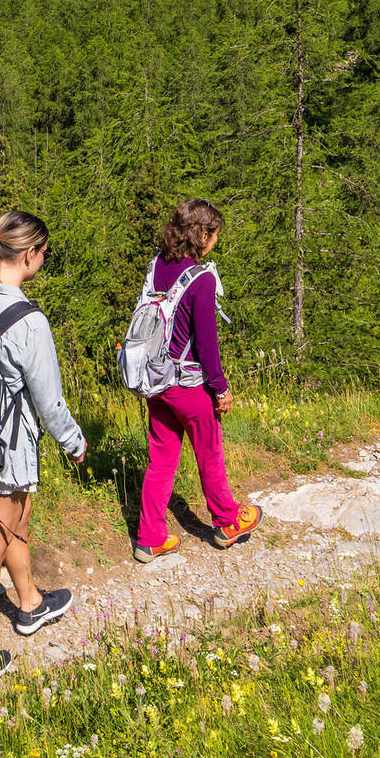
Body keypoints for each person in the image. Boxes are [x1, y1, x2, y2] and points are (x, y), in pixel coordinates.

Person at [0, 210, 87, 684]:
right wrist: (74, 441)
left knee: (17, 517)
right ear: (28, 255)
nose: (44, 259)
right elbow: (49, 403)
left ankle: (28, 603)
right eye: (44, 252)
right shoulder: (29, 322)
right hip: (7, 443)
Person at [133, 198, 261, 564]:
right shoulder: (201, 279)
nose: (216, 240)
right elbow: (207, 343)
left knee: (161, 461)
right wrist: (220, 388)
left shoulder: (157, 265)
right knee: (210, 455)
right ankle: (227, 521)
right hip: (190, 387)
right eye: (215, 233)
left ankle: (150, 537)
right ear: (202, 234)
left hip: (156, 381)